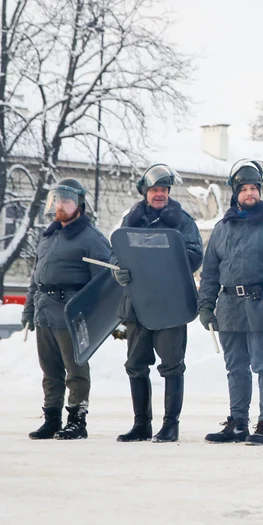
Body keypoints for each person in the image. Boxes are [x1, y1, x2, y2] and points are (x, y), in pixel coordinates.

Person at [114, 164, 204, 443]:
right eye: (154, 189)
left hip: (170, 303)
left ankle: (170, 425)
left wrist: (171, 261)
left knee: (172, 366)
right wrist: (118, 269)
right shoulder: (132, 218)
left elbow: (195, 255)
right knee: (136, 365)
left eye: (164, 190)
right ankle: (141, 424)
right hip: (137, 303)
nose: (160, 194)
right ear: (145, 192)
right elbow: (118, 253)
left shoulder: (182, 220)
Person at [198, 160, 263, 445]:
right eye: (244, 189)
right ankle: (237, 422)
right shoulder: (223, 228)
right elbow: (210, 271)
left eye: (254, 188)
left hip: (261, 302)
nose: (250, 193)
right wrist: (206, 306)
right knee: (235, 367)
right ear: (235, 193)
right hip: (230, 305)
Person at [23, 179, 112, 440]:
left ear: (79, 205)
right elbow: (35, 277)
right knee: (50, 370)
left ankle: (77, 420)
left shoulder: (92, 238)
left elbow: (104, 281)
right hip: (44, 311)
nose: (61, 205)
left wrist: (90, 316)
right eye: (58, 200)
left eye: (67, 200)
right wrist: (29, 310)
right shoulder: (48, 236)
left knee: (75, 369)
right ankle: (52, 418)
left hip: (71, 312)